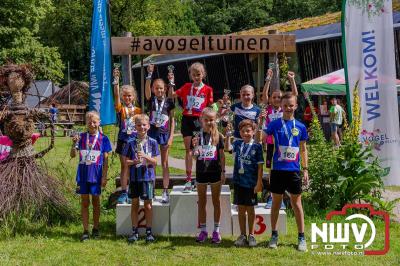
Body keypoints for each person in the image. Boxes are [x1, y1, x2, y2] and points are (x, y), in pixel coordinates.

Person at [264, 92, 309, 252]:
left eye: (291, 105)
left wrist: (305, 169)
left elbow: (303, 149)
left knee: (297, 204)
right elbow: (262, 139)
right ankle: (274, 235)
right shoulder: (274, 124)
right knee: (276, 203)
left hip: (294, 170)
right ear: (281, 107)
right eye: (285, 106)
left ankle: (301, 237)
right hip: (277, 170)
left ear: (295, 106)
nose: (288, 108)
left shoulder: (301, 127)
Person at [170, 62, 214, 192]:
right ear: (190, 75)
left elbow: (211, 107)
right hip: (187, 120)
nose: (196, 77)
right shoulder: (186, 86)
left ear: (203, 75)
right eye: (194, 75)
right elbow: (172, 95)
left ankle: (202, 178)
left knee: (200, 150)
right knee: (189, 150)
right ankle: (188, 180)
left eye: (198, 74)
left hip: (200, 120)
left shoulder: (208, 89)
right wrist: (171, 82)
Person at [71, 111, 112, 242]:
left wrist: (104, 176)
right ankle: (85, 231)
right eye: (89, 122)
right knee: (84, 202)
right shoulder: (81, 137)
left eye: (95, 122)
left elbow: (106, 159)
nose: (92, 124)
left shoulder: (103, 138)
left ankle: (96, 228)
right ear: (86, 123)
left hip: (96, 174)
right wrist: (73, 144)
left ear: (99, 122)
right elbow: (73, 155)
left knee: (96, 202)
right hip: (83, 174)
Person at [260, 69, 298, 207]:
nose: (276, 99)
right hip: (271, 145)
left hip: (285, 144)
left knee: (285, 170)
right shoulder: (268, 108)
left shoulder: (284, 109)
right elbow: (264, 94)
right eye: (274, 97)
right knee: (272, 171)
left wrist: (292, 80)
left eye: (279, 97)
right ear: (271, 99)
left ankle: (283, 197)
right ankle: (273, 197)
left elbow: (294, 95)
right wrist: (268, 79)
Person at [225, 119, 263, 247]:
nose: (246, 133)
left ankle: (251, 235)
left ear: (253, 132)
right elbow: (227, 148)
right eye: (243, 131)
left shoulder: (257, 146)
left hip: (251, 183)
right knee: (241, 209)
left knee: (251, 210)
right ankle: (242, 235)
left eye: (248, 131)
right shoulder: (237, 144)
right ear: (240, 133)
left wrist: (259, 183)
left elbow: (260, 167)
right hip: (239, 182)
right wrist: (228, 135)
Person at [122, 114, 159, 243]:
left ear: (148, 126)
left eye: (144, 125)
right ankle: (134, 231)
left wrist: (145, 157)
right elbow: (126, 162)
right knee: (134, 204)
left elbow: (155, 162)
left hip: (147, 178)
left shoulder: (153, 142)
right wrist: (134, 161)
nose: (141, 127)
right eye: (139, 125)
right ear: (135, 127)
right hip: (134, 178)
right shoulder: (130, 142)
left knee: (148, 205)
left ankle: (149, 232)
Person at [191, 108, 225, 244]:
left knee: (216, 201)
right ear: (201, 120)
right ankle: (203, 230)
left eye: (211, 119)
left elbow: (222, 156)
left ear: (215, 120)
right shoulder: (197, 136)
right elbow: (195, 157)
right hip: (201, 173)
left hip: (215, 172)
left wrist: (223, 171)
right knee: (202, 202)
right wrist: (194, 148)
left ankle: (216, 231)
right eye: (206, 120)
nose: (209, 122)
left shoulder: (219, 136)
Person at [145, 64, 175, 203]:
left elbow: (173, 120)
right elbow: (146, 92)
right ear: (153, 89)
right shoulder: (151, 100)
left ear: (165, 89)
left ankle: (165, 190)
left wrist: (171, 137)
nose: (159, 90)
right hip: (151, 134)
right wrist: (149, 75)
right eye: (156, 88)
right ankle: (149, 190)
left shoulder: (169, 102)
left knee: (164, 163)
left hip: (164, 135)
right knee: (151, 163)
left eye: (161, 88)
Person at [113, 68, 142, 204]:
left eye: (130, 95)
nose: (127, 98)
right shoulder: (120, 108)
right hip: (123, 139)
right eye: (125, 96)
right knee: (124, 166)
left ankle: (134, 191)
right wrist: (116, 82)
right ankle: (124, 192)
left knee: (136, 165)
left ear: (133, 97)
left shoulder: (138, 110)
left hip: (135, 141)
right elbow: (116, 97)